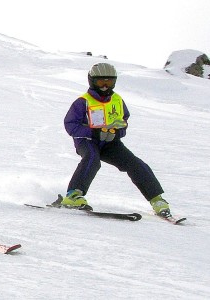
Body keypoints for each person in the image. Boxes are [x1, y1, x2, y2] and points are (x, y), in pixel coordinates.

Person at [57, 63, 174, 219]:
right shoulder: (82, 101)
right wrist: (94, 132)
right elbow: (70, 124)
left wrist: (118, 132)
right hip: (87, 140)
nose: (105, 86)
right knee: (92, 159)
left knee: (134, 163)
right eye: (101, 82)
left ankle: (157, 199)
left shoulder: (117, 100)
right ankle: (73, 195)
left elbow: (124, 120)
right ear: (92, 81)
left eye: (109, 82)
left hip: (110, 142)